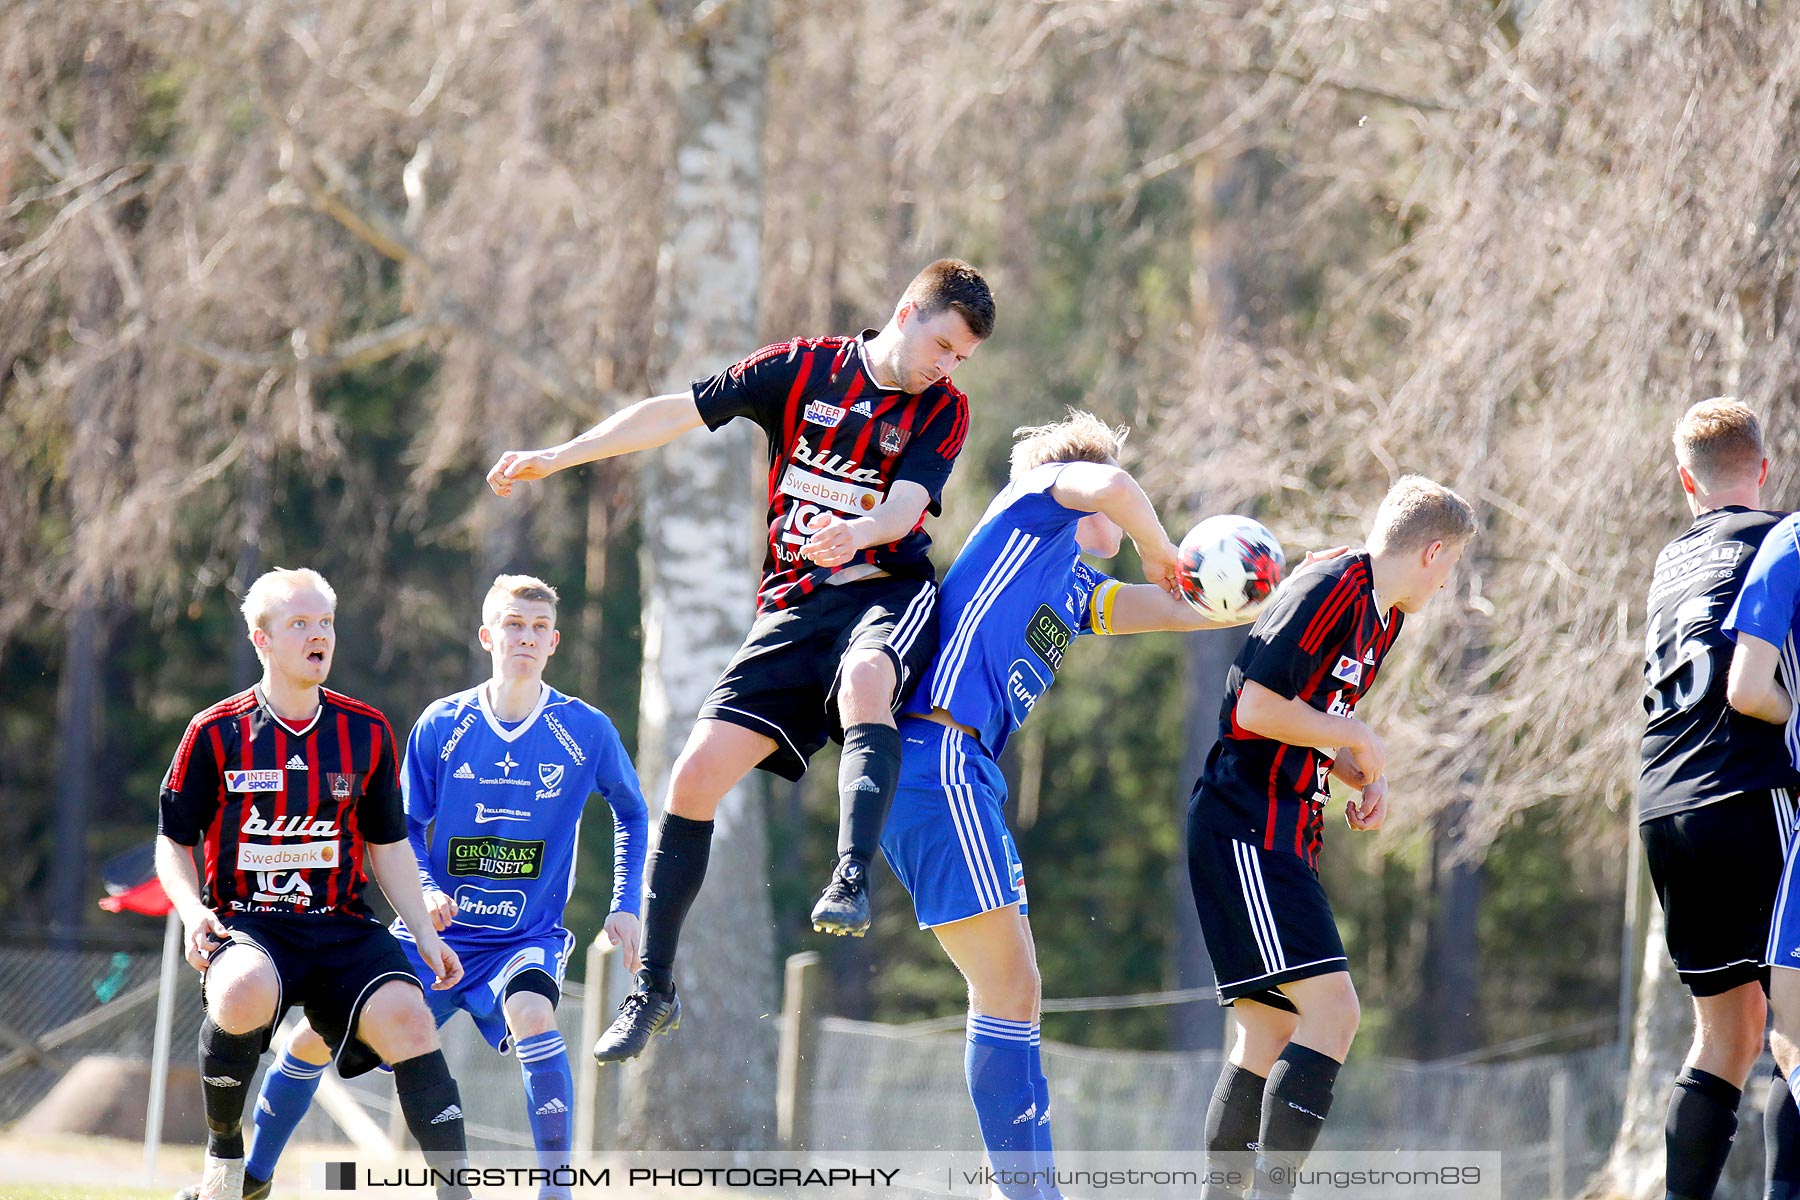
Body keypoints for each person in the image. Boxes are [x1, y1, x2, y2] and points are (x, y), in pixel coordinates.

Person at [486, 259, 995, 1061]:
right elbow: (672, 413)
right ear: (906, 311)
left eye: (961, 357)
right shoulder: (798, 368)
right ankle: (651, 989)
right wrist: (558, 455)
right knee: (690, 779)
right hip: (793, 610)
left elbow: (906, 505)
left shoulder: (944, 410)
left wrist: (858, 533)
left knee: (868, 681)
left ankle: (850, 877)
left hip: (883, 595)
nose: (947, 365)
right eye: (941, 345)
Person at [879, 410, 1259, 1199]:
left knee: (1010, 991)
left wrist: (1269, 592)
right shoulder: (1032, 506)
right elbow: (1113, 484)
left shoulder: (1076, 586)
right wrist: (1159, 547)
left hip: (957, 771)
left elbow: (1184, 611)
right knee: (1013, 990)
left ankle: (1017, 1189)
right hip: (936, 759)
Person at [196, 575, 650, 1200]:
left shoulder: (586, 729)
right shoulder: (445, 722)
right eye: (514, 625)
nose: (527, 637)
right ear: (488, 636)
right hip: (429, 934)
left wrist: (626, 906)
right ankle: (256, 1177)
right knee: (309, 1041)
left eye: (540, 628)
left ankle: (556, 1191)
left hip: (522, 938)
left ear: (555, 643)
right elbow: (398, 828)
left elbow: (631, 810)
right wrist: (429, 889)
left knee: (534, 1013)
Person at [1187, 476, 1476, 1200]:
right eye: (1452, 565)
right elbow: (1251, 706)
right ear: (1432, 551)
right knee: (1335, 1013)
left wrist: (1355, 771)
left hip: (1286, 828)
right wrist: (1350, 733)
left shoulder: (1385, 618)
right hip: (1246, 823)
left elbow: (1307, 716)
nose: (1447, 582)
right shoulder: (1330, 586)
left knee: (1268, 1030)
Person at [154, 568, 474, 1200]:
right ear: (261, 638)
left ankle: (456, 1194)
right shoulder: (214, 731)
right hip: (249, 925)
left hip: (341, 928)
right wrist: (193, 912)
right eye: (299, 623)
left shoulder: (367, 730)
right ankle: (225, 1169)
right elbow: (173, 841)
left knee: (412, 1019)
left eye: (325, 622)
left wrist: (420, 930)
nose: (318, 634)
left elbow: (389, 844)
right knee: (242, 988)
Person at [1640, 398, 1800, 1200]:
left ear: (1685, 482)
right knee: (1797, 1027)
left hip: (1664, 804)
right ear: (1764, 470)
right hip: (1750, 791)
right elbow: (1758, 684)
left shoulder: (1669, 564)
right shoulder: (1782, 541)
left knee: (1727, 1033)